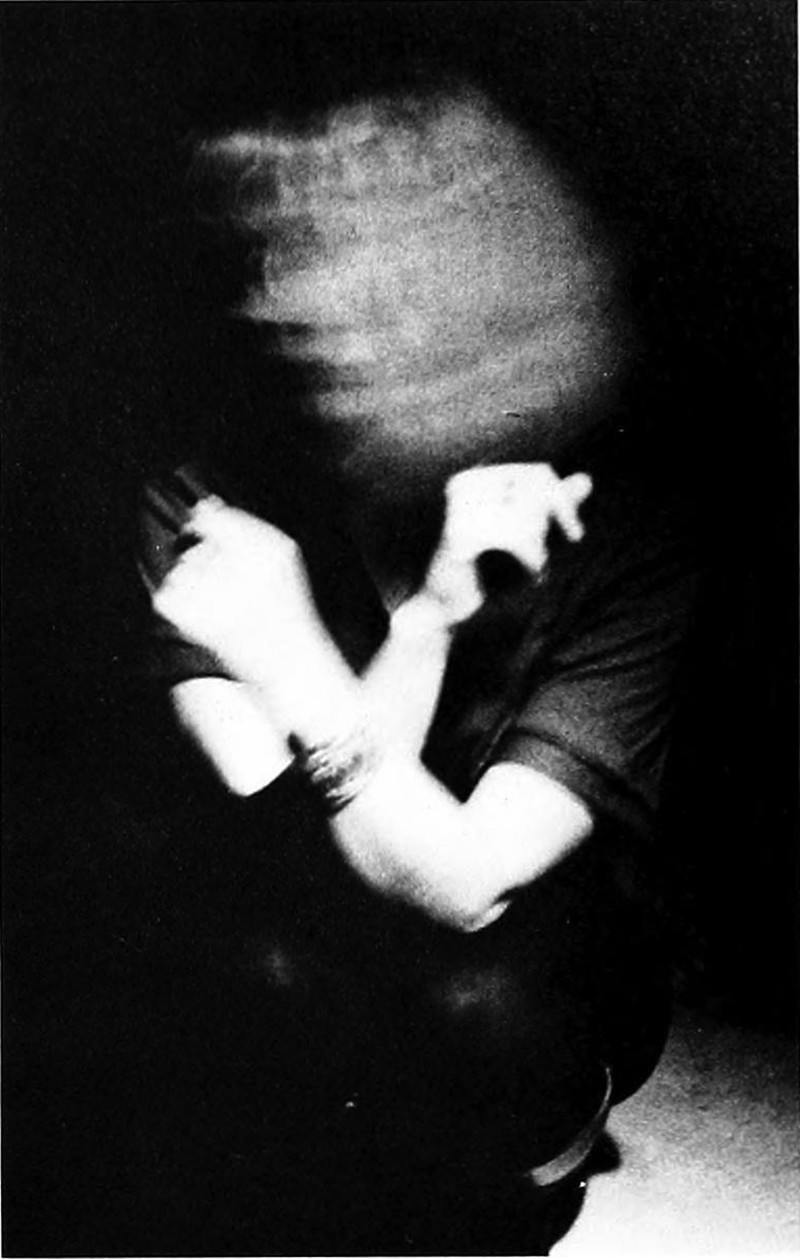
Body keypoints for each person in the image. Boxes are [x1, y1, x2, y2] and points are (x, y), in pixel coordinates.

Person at [137, 85, 696, 1254]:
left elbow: (470, 881)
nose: (294, 313)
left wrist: (299, 653)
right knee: (256, 968)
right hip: (319, 923)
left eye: (372, 295)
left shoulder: (615, 529)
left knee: (492, 1009)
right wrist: (428, 622)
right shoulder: (207, 503)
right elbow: (286, 839)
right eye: (279, 268)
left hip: (541, 959)